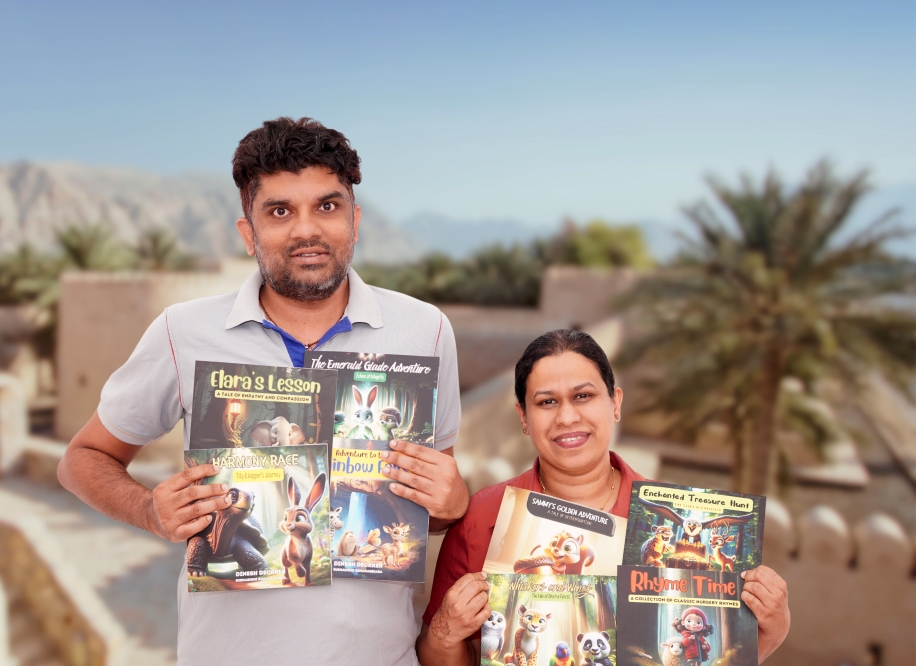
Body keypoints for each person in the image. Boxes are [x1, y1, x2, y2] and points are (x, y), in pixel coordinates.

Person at [57, 117, 469, 666]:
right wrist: (149, 511)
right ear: (248, 232)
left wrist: (454, 501)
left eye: (327, 206)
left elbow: (431, 509)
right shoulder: (183, 332)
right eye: (279, 211)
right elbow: (81, 460)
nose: (307, 230)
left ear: (355, 220)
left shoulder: (426, 330)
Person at [416, 329, 791, 665]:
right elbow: (435, 655)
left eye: (583, 396)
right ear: (523, 417)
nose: (566, 417)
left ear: (615, 403)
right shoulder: (483, 516)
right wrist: (446, 631)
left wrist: (772, 628)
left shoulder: (669, 523)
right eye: (546, 402)